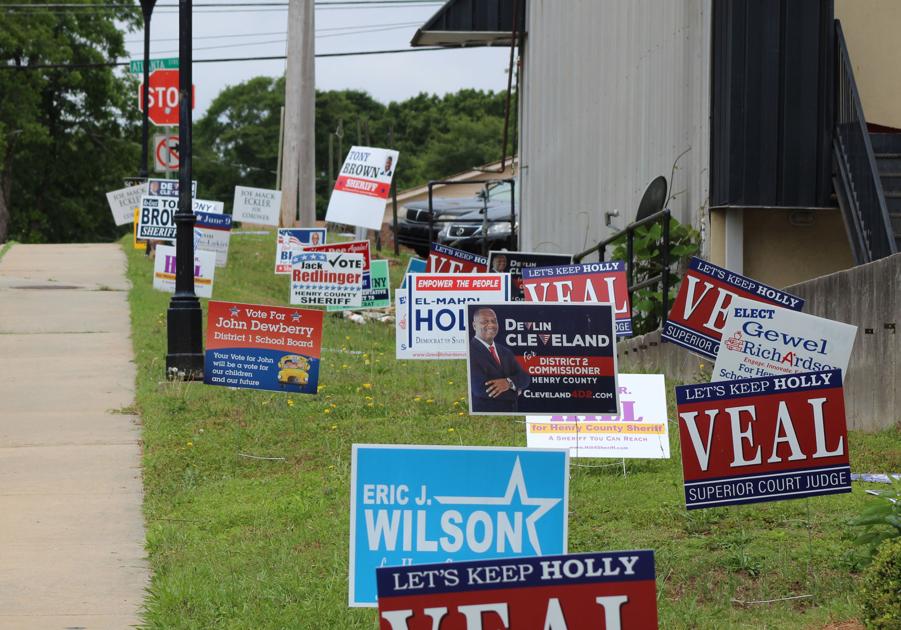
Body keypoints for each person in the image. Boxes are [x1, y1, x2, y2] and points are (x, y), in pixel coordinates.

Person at [469, 307, 531, 413]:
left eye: (494, 321)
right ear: (474, 325)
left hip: (512, 415)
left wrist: (508, 383)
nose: (491, 325)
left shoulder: (505, 351)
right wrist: (515, 391)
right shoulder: (470, 351)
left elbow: (525, 378)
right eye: (485, 321)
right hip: (486, 418)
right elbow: (480, 389)